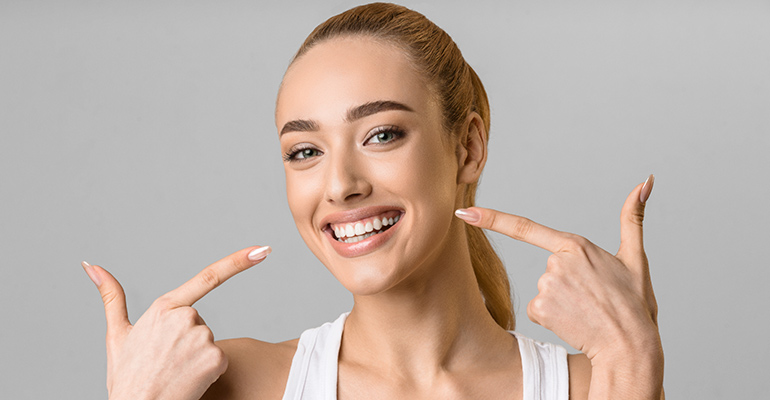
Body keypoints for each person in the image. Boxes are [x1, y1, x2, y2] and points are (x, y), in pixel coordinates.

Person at [81, 3, 664, 399]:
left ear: (468, 146)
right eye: (304, 151)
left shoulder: (600, 384)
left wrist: (633, 355)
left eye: (381, 135)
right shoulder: (233, 386)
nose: (339, 185)